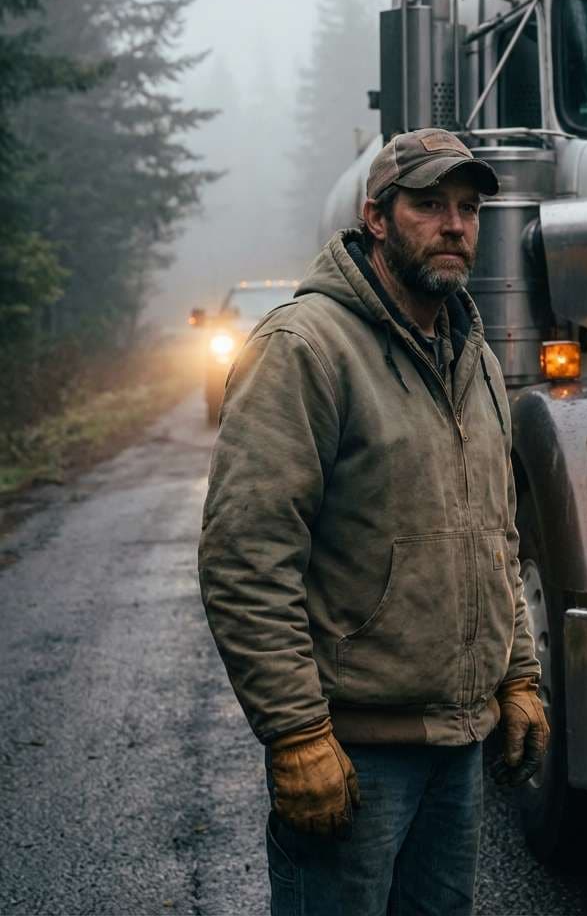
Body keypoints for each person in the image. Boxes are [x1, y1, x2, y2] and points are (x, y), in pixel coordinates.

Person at [198, 127, 549, 916]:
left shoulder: (472, 358)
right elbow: (245, 558)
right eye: (429, 205)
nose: (455, 225)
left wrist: (519, 676)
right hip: (349, 757)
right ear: (377, 219)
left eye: (467, 207)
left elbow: (495, 535)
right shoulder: (304, 349)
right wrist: (295, 735)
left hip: (455, 753)